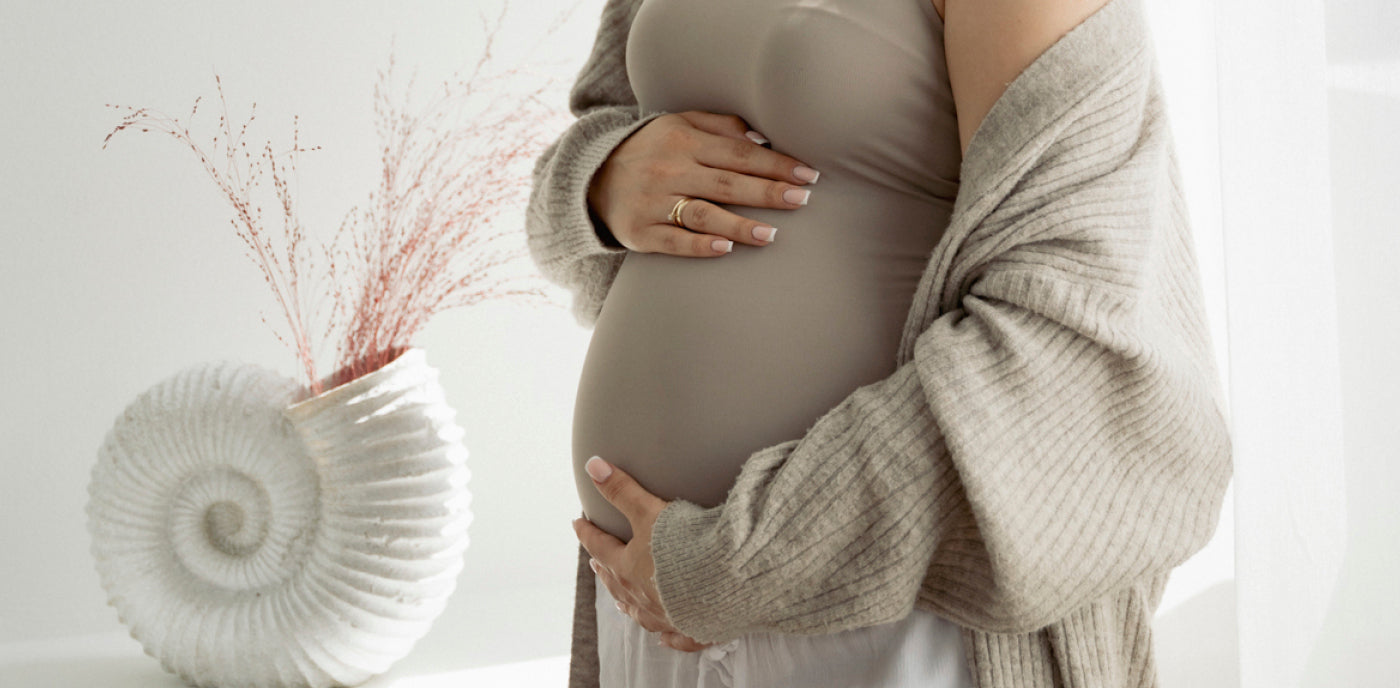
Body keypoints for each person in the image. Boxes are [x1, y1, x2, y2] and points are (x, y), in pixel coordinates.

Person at [525, 0, 1234, 685]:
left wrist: (733, 567)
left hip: (894, 619)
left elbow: (1067, 333)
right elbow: (598, 138)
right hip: (647, 599)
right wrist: (602, 182)